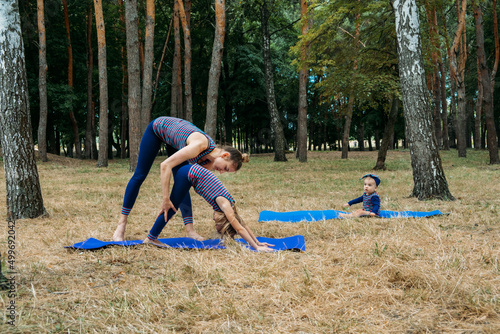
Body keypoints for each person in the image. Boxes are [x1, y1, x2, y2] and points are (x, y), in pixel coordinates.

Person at [113, 116, 248, 242]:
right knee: (140, 175)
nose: (222, 172)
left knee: (184, 182)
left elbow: (197, 185)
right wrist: (166, 199)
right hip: (159, 129)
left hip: (176, 142)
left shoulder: (210, 163)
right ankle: (121, 224)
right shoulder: (198, 146)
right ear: (224, 155)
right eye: (225, 168)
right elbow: (165, 165)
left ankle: (190, 230)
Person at [143, 163, 275, 252]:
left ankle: (152, 236)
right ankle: (151, 238)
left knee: (178, 203)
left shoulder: (228, 206)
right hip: (187, 173)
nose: (213, 220)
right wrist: (256, 248)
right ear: (224, 219)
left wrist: (258, 242)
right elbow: (239, 228)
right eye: (217, 223)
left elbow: (242, 224)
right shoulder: (225, 205)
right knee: (172, 207)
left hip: (190, 173)